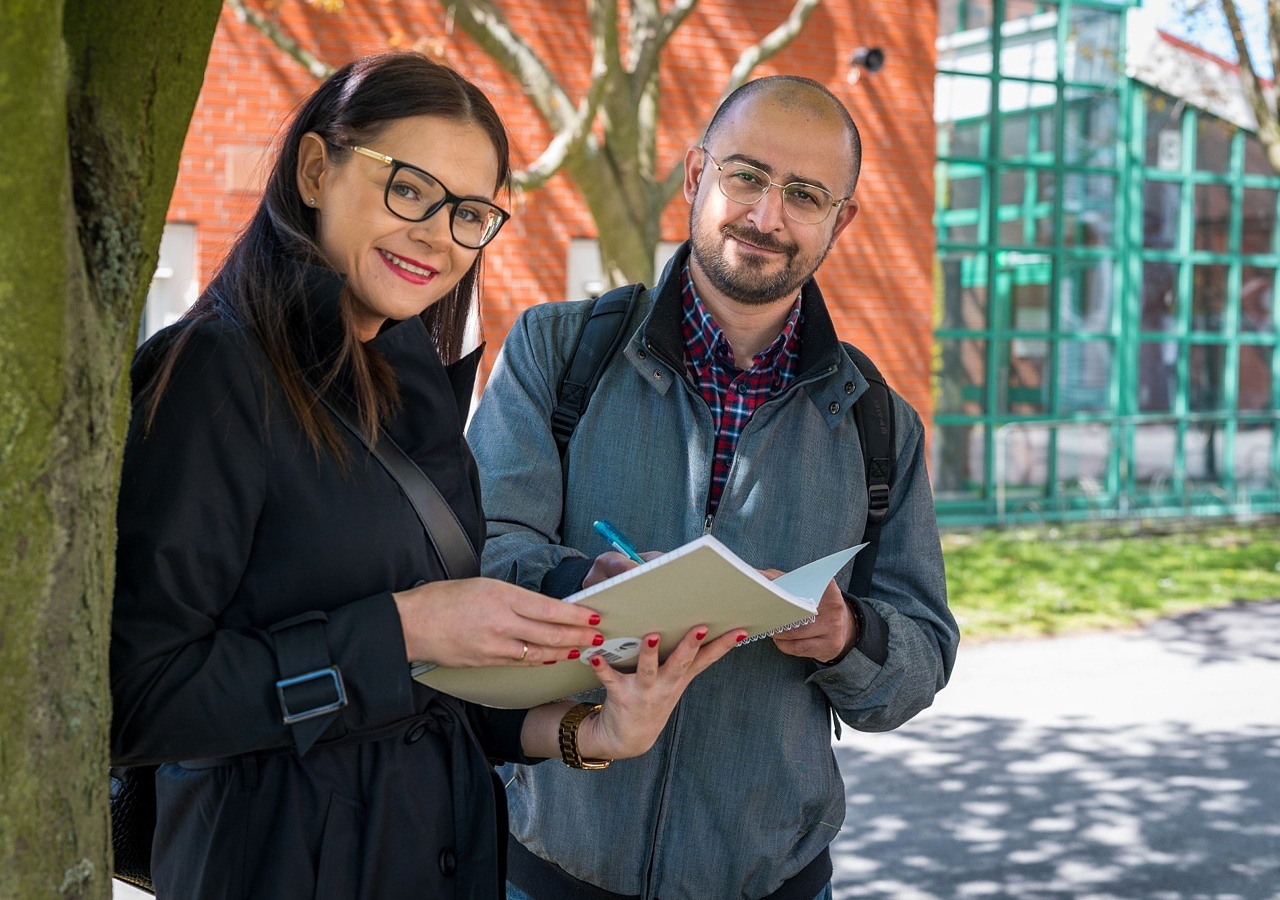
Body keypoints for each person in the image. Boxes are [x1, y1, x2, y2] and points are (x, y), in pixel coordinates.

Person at [109, 52, 740, 900]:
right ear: (313, 169)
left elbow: (435, 696)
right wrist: (404, 629)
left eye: (470, 213)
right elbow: (138, 699)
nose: (439, 234)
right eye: (409, 188)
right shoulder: (210, 374)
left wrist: (594, 731)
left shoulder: (412, 379)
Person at [467, 75, 960, 900]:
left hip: (776, 884)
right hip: (547, 873)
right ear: (696, 176)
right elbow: (477, 552)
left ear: (841, 222)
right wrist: (580, 588)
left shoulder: (882, 424)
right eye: (747, 177)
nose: (767, 217)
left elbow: (920, 661)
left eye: (804, 195)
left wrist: (846, 635)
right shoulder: (556, 354)